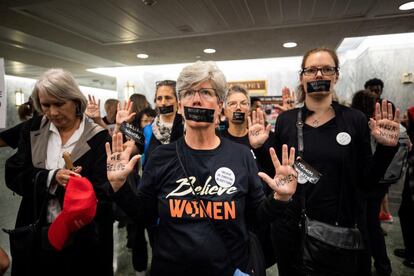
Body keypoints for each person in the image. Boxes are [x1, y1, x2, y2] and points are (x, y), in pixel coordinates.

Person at [105, 61, 298, 276]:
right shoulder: (162, 156)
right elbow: (145, 216)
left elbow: (255, 218)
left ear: (219, 104)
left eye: (206, 92)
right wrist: (119, 185)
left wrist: (280, 199)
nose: (196, 99)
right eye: (188, 93)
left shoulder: (240, 155)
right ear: (180, 104)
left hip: (230, 267)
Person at [248, 47, 400, 276]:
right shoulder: (286, 121)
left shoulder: (353, 120)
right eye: (311, 70)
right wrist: (260, 148)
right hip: (291, 232)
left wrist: (386, 149)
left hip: (338, 233)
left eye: (327, 69)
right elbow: (277, 173)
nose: (319, 75)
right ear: (302, 77)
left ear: (336, 76)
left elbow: (367, 182)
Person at [5, 69, 114, 276]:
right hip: (37, 232)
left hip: (83, 239)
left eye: (59, 104)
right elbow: (14, 173)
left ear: (75, 101)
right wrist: (51, 177)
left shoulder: (98, 138)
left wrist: (81, 186)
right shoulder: (33, 129)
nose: (53, 112)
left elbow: (105, 190)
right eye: (46, 105)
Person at [394, 106, 414, 269]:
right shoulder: (409, 136)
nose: (403, 120)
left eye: (407, 117)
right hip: (410, 182)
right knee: (405, 212)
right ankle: (410, 250)